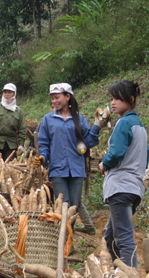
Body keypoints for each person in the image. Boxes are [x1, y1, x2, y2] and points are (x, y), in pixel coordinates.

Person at [99, 80, 148, 268]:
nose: (113, 103)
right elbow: (146, 155)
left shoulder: (124, 123)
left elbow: (117, 153)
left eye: (118, 99)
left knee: (124, 239)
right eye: (111, 99)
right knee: (110, 237)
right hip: (134, 187)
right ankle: (118, 276)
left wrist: (104, 163)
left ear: (131, 100)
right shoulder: (140, 127)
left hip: (121, 187)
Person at [36, 83, 100, 219]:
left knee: (74, 207)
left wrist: (97, 125)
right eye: (52, 99)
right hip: (57, 169)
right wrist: (43, 157)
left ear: (67, 97)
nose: (54, 101)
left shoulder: (79, 119)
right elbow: (43, 142)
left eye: (57, 98)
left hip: (77, 168)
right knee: (62, 204)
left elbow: (88, 143)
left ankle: (69, 236)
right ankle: (62, 238)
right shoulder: (48, 120)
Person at [0, 83, 25, 162]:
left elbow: (22, 129)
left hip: (11, 145)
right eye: (5, 92)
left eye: (9, 92)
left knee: (10, 168)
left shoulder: (18, 111)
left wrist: (21, 145)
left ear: (14, 94)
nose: (7, 94)